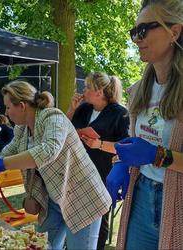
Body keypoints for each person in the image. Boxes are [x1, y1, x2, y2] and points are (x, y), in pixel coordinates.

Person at [0, 80, 111, 250]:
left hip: (82, 199)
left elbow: (48, 150)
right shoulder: (22, 129)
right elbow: (6, 153)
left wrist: (2, 164)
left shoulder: (52, 117)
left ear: (22, 106)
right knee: (40, 246)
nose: (6, 113)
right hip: (53, 200)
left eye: (8, 107)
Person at [106, 1, 183, 249]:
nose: (135, 39)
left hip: (177, 201)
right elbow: (133, 142)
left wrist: (157, 154)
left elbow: (150, 151)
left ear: (175, 31)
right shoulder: (139, 91)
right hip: (141, 196)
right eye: (134, 31)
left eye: (144, 30)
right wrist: (121, 163)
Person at [66, 72, 129, 250]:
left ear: (99, 92)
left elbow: (125, 146)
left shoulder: (120, 113)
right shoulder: (84, 108)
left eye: (86, 87)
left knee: (99, 220)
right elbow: (64, 129)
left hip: (103, 174)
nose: (83, 90)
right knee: (75, 216)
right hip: (78, 172)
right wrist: (71, 108)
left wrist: (99, 144)